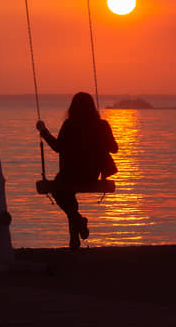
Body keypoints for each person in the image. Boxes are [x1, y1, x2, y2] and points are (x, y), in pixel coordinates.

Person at [36, 92, 118, 250]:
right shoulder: (102, 125)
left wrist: (44, 131)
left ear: (73, 108)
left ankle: (78, 224)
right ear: (92, 108)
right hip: (90, 175)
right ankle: (75, 235)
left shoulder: (69, 125)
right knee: (66, 194)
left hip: (69, 174)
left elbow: (57, 147)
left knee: (61, 191)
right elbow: (114, 149)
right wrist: (102, 140)